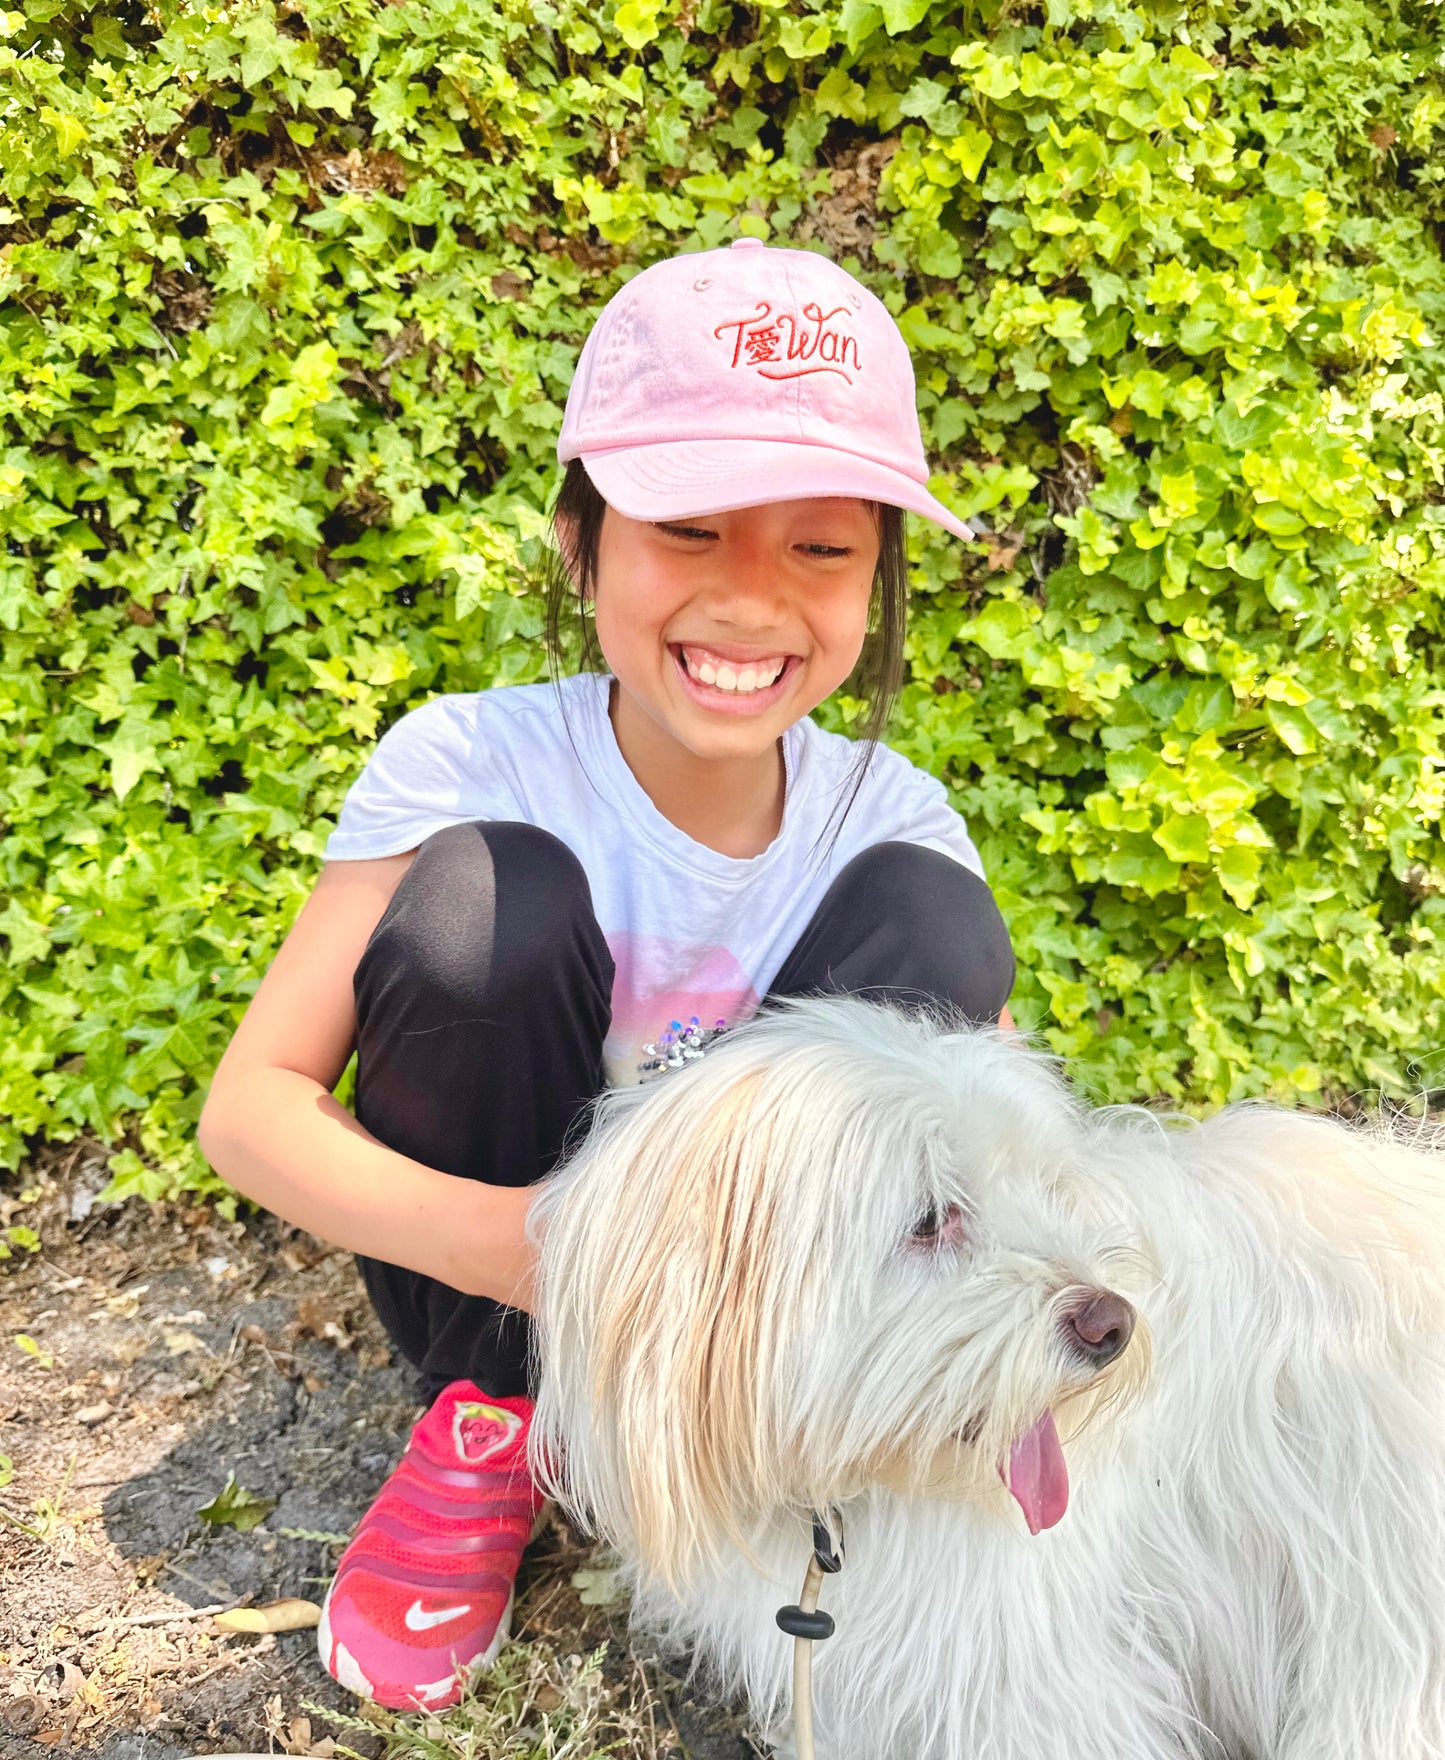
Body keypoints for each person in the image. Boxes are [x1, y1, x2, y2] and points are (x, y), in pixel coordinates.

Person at [197, 237, 1016, 1713]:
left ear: (876, 577)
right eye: (688, 530)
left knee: (934, 922)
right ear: (581, 545)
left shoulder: (892, 822)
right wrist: (560, 1255)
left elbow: (999, 1164)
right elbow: (249, 1109)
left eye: (820, 548)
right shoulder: (469, 761)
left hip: (762, 1336)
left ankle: (760, 1435)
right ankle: (493, 1427)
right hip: (515, 1281)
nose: (754, 601)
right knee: (482, 902)